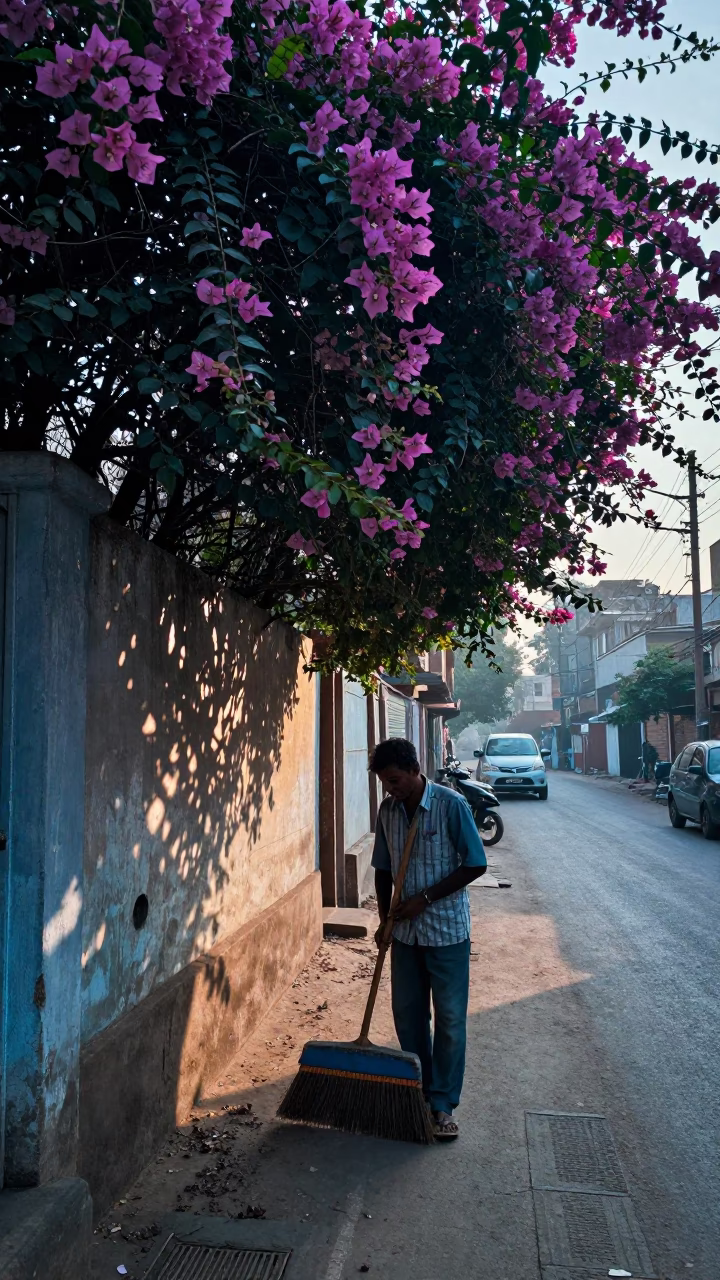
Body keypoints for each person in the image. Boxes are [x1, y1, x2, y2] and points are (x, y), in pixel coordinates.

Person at [369, 737, 487, 1140]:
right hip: (404, 934)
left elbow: (476, 863)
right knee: (409, 1015)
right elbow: (383, 870)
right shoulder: (387, 811)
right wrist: (386, 919)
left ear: (415, 770)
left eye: (396, 780)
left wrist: (425, 898)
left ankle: (442, 1104)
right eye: (385, 782)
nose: (391, 788)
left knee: (451, 1020)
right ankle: (417, 1093)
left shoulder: (450, 805)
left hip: (447, 931)